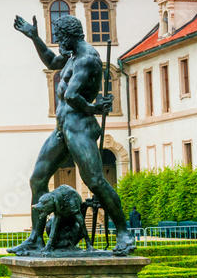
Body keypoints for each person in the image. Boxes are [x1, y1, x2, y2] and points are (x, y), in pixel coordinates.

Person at [8, 14, 134, 256]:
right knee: (37, 179)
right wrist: (34, 37)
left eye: (59, 37)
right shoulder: (72, 55)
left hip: (80, 127)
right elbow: (51, 61)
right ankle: (35, 238)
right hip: (62, 127)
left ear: (70, 36)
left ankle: (123, 232)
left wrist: (93, 109)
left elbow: (72, 96)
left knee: (95, 181)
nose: (58, 42)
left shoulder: (87, 58)